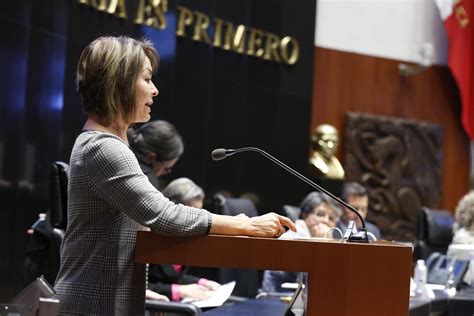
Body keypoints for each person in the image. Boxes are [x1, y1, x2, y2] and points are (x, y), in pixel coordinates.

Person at [53, 35, 295, 315]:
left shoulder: (108, 143)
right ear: (118, 83)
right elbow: (163, 214)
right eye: (146, 79)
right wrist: (245, 225)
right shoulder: (102, 147)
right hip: (92, 305)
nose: (154, 90)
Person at [148, 178, 221, 302]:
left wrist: (201, 282)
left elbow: (175, 277)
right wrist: (178, 291)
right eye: (194, 215)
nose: (198, 222)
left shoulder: (184, 238)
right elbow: (138, 285)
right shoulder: (149, 237)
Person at [260, 191, 341, 293]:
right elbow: (309, 276)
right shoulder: (291, 238)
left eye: (331, 218)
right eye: (320, 214)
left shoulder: (330, 238)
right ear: (304, 215)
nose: (325, 221)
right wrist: (321, 244)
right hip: (279, 298)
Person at [128, 120, 183, 189]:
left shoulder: (116, 145)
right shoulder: (147, 181)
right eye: (166, 169)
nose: (166, 173)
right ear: (151, 157)